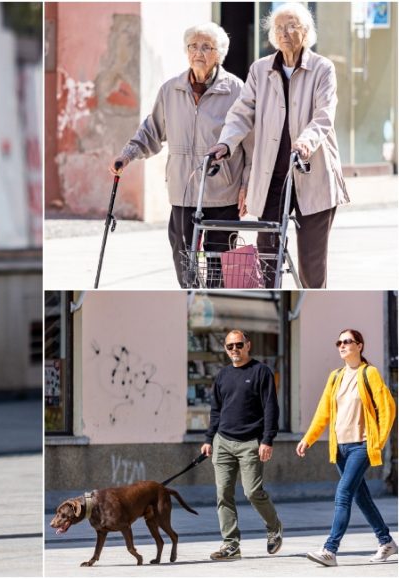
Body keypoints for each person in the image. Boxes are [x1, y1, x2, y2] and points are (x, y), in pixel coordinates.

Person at [208, 2, 348, 288]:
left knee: (311, 260)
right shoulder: (260, 69)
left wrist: (306, 142)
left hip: (313, 172)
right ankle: (271, 292)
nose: (284, 32)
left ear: (306, 31)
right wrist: (226, 143)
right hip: (273, 176)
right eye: (279, 27)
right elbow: (242, 112)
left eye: (292, 25)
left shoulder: (323, 68)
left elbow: (324, 115)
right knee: (268, 252)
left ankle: (313, 298)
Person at [112, 22, 249, 288]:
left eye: (207, 47)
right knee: (182, 254)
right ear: (186, 52)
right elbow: (151, 130)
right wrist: (127, 155)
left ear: (220, 53)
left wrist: (246, 183)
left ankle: (215, 299)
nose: (199, 52)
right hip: (182, 189)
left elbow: (250, 142)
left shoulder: (236, 90)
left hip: (223, 190)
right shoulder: (170, 90)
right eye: (193, 46)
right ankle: (192, 298)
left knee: (220, 259)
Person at [297, 329, 397, 566]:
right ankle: (386, 542)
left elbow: (388, 408)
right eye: (338, 342)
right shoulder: (336, 376)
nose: (341, 345)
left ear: (359, 346)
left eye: (347, 341)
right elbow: (324, 411)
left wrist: (377, 442)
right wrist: (308, 439)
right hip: (340, 448)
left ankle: (330, 550)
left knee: (343, 495)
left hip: (361, 446)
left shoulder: (369, 373)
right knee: (361, 498)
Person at [200, 329, 283, 560]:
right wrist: (209, 439)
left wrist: (267, 440)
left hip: (251, 443)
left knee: (252, 491)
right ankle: (231, 544)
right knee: (223, 493)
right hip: (223, 442)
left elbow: (270, 408)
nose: (234, 349)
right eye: (230, 346)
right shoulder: (223, 375)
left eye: (238, 345)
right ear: (226, 349)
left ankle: (274, 527)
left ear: (248, 345)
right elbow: (216, 410)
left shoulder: (261, 372)